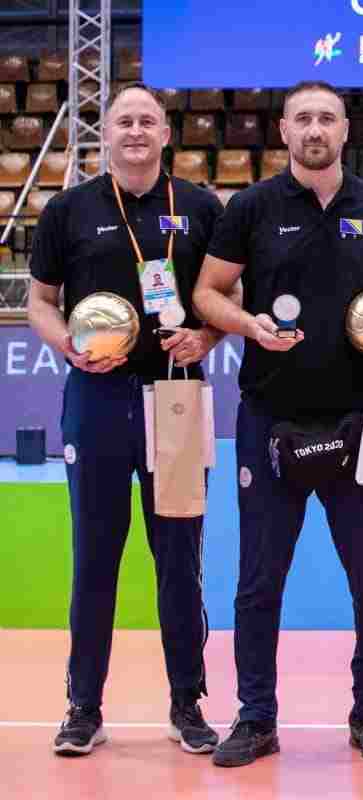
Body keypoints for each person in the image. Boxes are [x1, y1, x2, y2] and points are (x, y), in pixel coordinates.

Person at [193, 80, 363, 767]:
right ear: (284, 130)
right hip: (269, 420)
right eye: (303, 118)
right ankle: (255, 718)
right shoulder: (250, 208)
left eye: (326, 117)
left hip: (361, 420)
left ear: (345, 130)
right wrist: (248, 325)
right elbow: (207, 292)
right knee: (259, 581)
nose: (315, 129)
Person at [27, 83, 228, 757]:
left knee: (180, 559)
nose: (136, 131)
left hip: (177, 394)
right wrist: (68, 345)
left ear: (167, 134)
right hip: (99, 398)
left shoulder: (200, 207)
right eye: (124, 122)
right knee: (95, 557)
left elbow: (229, 293)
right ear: (105, 135)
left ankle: (187, 703)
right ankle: (83, 707)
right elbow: (41, 302)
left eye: (147, 121)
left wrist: (206, 336)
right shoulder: (69, 209)